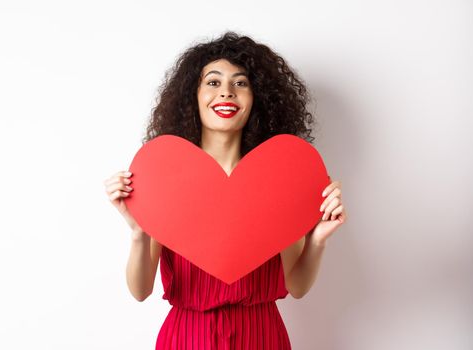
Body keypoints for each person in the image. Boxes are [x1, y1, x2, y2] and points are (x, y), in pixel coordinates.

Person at [103, 31, 347, 349]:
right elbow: (140, 290)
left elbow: (297, 286)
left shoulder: (278, 178)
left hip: (262, 336)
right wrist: (138, 231)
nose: (227, 93)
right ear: (194, 95)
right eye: (214, 82)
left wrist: (318, 237)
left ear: (257, 97)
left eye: (241, 83)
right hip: (187, 336)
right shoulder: (166, 177)